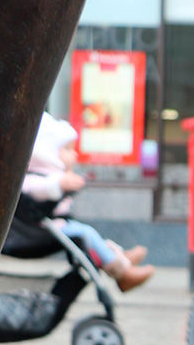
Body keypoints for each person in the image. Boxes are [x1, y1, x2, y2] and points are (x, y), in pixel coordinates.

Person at [16, 113, 155, 292]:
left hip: (54, 225)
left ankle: (122, 260)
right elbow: (36, 188)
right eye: (67, 149)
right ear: (47, 153)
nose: (74, 154)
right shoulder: (39, 177)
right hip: (43, 229)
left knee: (89, 236)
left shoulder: (51, 174)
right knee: (86, 233)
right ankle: (121, 271)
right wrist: (59, 184)